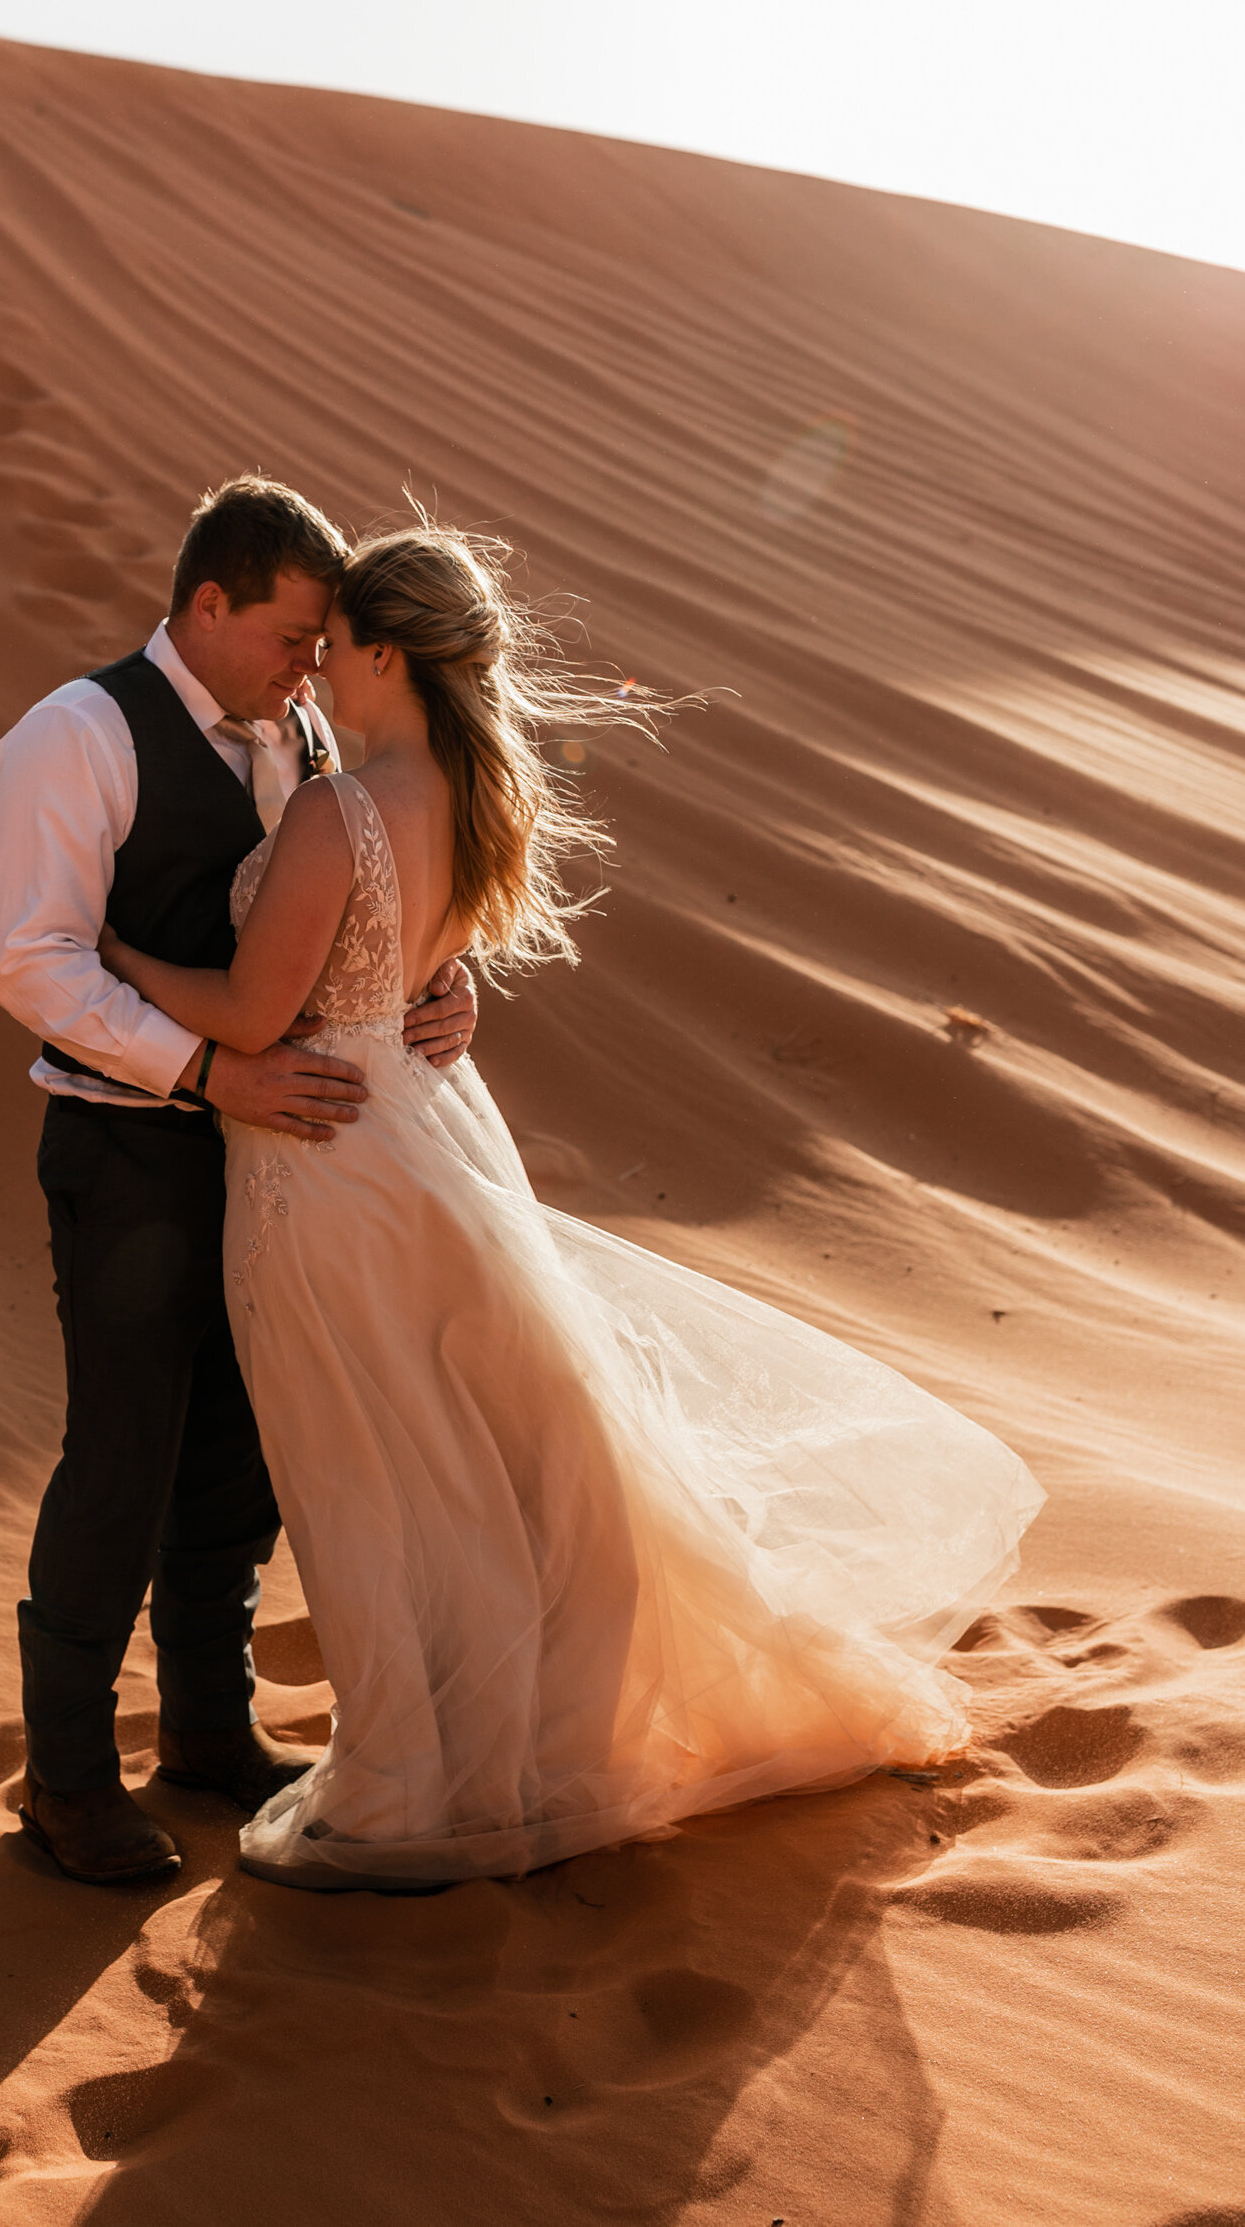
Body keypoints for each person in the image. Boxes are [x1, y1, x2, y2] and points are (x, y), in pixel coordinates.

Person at [96, 517, 1045, 1891]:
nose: (315, 676)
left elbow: (254, 1011)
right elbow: (420, 979)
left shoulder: (341, 808)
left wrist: (117, 956)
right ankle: (514, 1745)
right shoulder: (477, 796)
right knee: (487, 1457)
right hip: (426, 1137)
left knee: (374, 1471)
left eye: (335, 650)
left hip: (326, 1162)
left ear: (385, 654)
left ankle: (420, 1778)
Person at [0, 477, 477, 1885]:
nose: (309, 666)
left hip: (288, 1169)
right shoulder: (79, 735)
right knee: (123, 1458)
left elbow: (362, 907)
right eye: (289, 634)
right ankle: (67, 1783)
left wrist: (448, 987)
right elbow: (32, 963)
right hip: (132, 1153)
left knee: (242, 1458)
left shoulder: (306, 729)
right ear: (207, 602)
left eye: (326, 645)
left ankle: (208, 1731)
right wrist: (208, 1076)